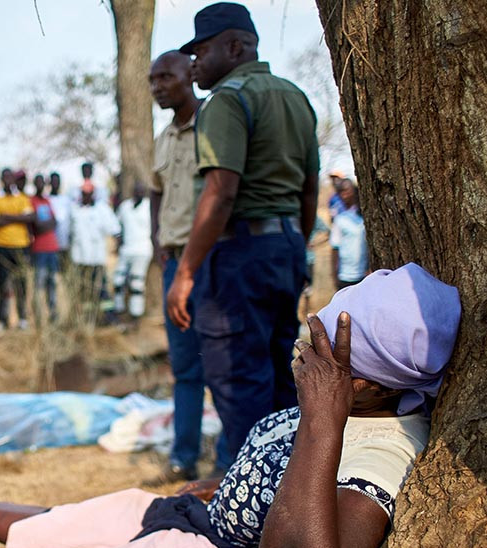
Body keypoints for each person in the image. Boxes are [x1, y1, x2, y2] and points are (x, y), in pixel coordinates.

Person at [0, 263, 461, 548]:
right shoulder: (354, 405)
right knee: (110, 514)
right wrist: (224, 486)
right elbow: (277, 473)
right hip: (210, 522)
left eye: (318, 347)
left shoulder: (384, 449)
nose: (300, 347)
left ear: (364, 386)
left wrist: (321, 416)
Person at [167, 2, 319, 460]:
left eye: (202, 51)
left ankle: (246, 513)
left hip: (238, 258)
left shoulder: (228, 100)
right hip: (285, 246)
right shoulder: (295, 96)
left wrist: (186, 272)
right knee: (279, 379)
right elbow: (309, 192)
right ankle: (286, 495)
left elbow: (220, 192)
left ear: (235, 47)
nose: (194, 63)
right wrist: (295, 246)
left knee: (238, 381)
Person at [147, 50, 222, 482]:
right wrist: (156, 239)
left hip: (212, 260)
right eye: (152, 80)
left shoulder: (213, 126)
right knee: (186, 368)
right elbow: (156, 191)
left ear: (189, 76)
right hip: (175, 263)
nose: (157, 86)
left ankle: (231, 460)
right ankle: (184, 458)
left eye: (165, 77)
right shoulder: (162, 140)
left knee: (224, 363)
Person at [0, 168, 34, 332]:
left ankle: (22, 319)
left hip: (20, 246)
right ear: (1, 179)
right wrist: (17, 218)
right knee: (0, 284)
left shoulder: (22, 198)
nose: (8, 180)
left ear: (13, 179)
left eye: (10, 177)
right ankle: (1, 319)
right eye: (4, 177)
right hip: (0, 247)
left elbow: (29, 218)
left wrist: (5, 216)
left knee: (21, 284)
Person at [69, 181, 120, 324]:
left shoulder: (102, 209)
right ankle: (88, 320)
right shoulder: (75, 210)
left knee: (101, 289)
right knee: (84, 291)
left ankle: (109, 318)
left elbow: (115, 230)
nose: (86, 195)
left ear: (93, 193)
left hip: (97, 258)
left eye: (89, 193)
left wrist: (117, 247)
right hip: (79, 259)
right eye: (84, 193)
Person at [112, 181, 153, 326]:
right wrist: (118, 242)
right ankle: (119, 311)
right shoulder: (125, 207)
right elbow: (116, 226)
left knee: (136, 283)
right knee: (118, 281)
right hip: (126, 250)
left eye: (142, 191)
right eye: (137, 191)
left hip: (142, 250)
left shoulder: (149, 206)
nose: (139, 193)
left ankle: (136, 317)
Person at [29, 173, 60, 325]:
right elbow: (38, 226)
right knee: (39, 283)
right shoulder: (31, 201)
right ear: (35, 184)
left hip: (52, 248)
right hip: (39, 249)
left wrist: (44, 224)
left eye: (43, 182)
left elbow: (54, 222)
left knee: (52, 282)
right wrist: (45, 224)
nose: (41, 184)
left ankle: (53, 314)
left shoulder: (47, 201)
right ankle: (38, 316)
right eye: (38, 182)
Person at [330, 179, 368, 289]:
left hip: (363, 275)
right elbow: (334, 248)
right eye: (341, 192)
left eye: (346, 191)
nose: (344, 195)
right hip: (345, 276)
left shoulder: (363, 217)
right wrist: (334, 276)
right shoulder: (340, 219)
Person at [47, 172, 73, 273]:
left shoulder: (66, 200)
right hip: (49, 245)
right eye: (53, 181)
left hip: (64, 244)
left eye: (57, 181)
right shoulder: (46, 199)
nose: (55, 184)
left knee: (64, 271)